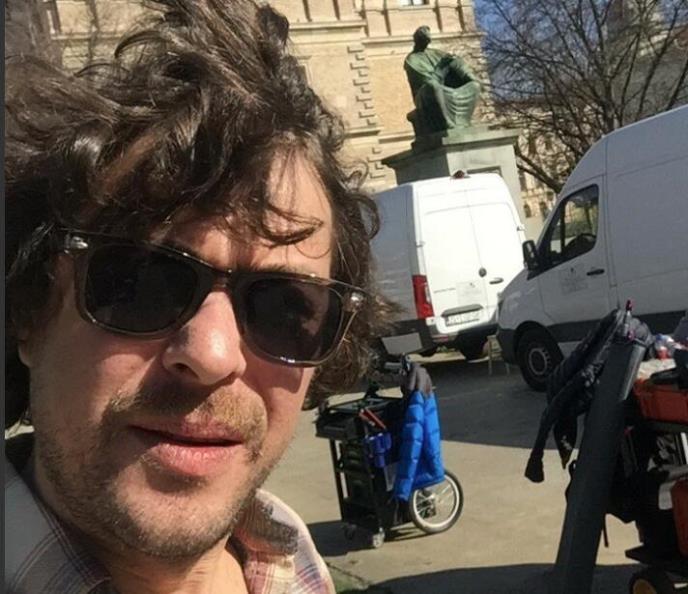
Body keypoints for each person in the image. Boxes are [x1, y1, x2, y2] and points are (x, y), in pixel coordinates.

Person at [4, 1, 389, 592]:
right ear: (32, 310)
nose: (212, 354)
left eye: (285, 308)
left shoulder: (301, 572)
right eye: (141, 283)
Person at [404, 26, 482, 136]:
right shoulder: (412, 60)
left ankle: (463, 122)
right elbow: (427, 81)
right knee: (433, 86)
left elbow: (454, 63)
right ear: (417, 40)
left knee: (474, 86)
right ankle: (445, 121)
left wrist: (464, 72)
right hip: (425, 95)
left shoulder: (436, 53)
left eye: (428, 40)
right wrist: (441, 68)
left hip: (446, 88)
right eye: (424, 40)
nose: (427, 43)